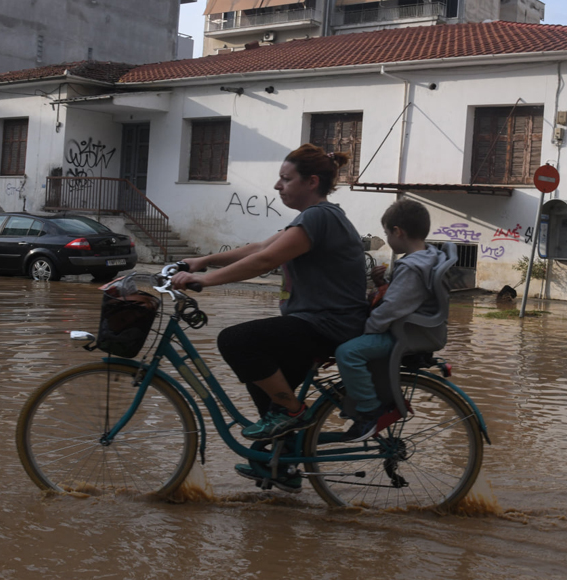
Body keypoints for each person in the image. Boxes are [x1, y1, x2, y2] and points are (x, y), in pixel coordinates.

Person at [171, 144, 369, 491]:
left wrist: (203, 280)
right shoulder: (313, 218)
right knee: (262, 388)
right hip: (315, 324)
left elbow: (264, 262)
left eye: (285, 178)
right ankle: (283, 467)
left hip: (326, 325)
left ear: (311, 181)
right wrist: (202, 261)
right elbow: (258, 248)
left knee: (236, 341)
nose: (278, 186)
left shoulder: (319, 217)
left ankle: (295, 415)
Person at [334, 199, 445, 442]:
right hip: (411, 328)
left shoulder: (411, 267)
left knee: (347, 353)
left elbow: (391, 309)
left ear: (398, 232)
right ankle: (357, 398)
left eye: (387, 233)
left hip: (402, 334)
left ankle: (369, 409)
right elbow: (405, 298)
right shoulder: (429, 256)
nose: (387, 238)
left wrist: (368, 330)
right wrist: (383, 284)